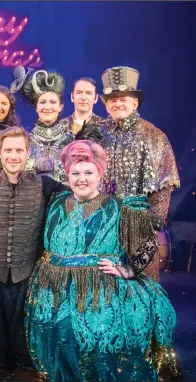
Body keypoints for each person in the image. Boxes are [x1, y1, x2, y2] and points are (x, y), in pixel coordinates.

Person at [25, 140, 183, 382]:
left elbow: (149, 243)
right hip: (54, 288)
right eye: (75, 173)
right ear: (67, 175)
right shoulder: (56, 202)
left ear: (100, 173)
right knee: (58, 334)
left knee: (96, 338)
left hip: (99, 287)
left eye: (89, 172)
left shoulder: (117, 207)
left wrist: (128, 270)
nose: (82, 179)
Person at [0, 126, 68, 372]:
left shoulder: (46, 186)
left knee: (26, 358)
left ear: (28, 154)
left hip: (29, 277)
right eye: (9, 150)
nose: (14, 156)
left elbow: (79, 194)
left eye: (19, 150)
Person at [99, 66, 180, 281]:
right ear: (106, 105)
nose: (117, 103)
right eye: (112, 99)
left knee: (140, 296)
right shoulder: (97, 134)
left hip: (139, 232)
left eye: (123, 98)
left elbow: (163, 189)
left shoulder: (154, 137)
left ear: (135, 102)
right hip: (102, 230)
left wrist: (147, 228)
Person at [11, 66, 74, 183]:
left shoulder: (71, 141)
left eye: (53, 102)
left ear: (61, 107)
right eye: (42, 102)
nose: (47, 107)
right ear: (36, 107)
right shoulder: (26, 141)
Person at [60, 77, 104, 142]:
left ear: (96, 98)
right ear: (72, 97)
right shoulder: (59, 126)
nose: (83, 97)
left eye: (88, 93)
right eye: (79, 92)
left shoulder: (104, 127)